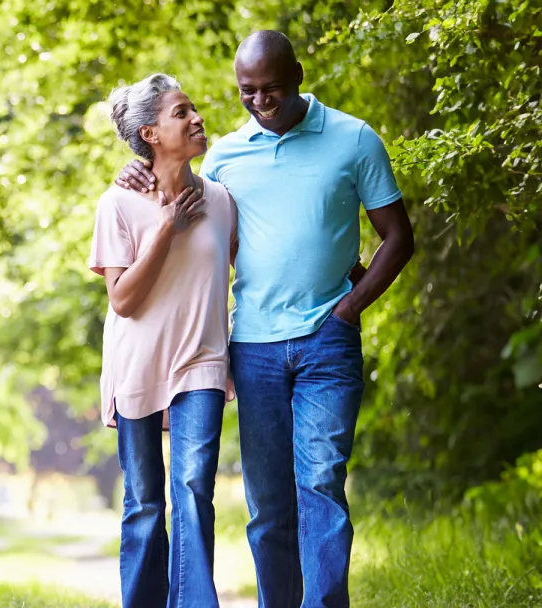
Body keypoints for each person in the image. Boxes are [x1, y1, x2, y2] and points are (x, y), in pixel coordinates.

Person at [115, 31, 415, 608]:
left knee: (322, 481)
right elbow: (180, 205)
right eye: (247, 91)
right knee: (268, 503)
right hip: (251, 347)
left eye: (271, 88)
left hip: (327, 342)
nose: (260, 101)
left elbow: (397, 238)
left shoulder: (354, 139)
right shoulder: (226, 155)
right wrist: (136, 170)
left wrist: (349, 309)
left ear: (298, 75)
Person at [91, 72, 237, 608]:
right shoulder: (119, 203)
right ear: (151, 134)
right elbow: (123, 300)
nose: (197, 118)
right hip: (137, 368)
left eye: (193, 110)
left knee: (194, 489)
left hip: (201, 361)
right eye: (182, 113)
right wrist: (166, 229)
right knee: (145, 503)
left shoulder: (222, 200)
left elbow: (256, 269)